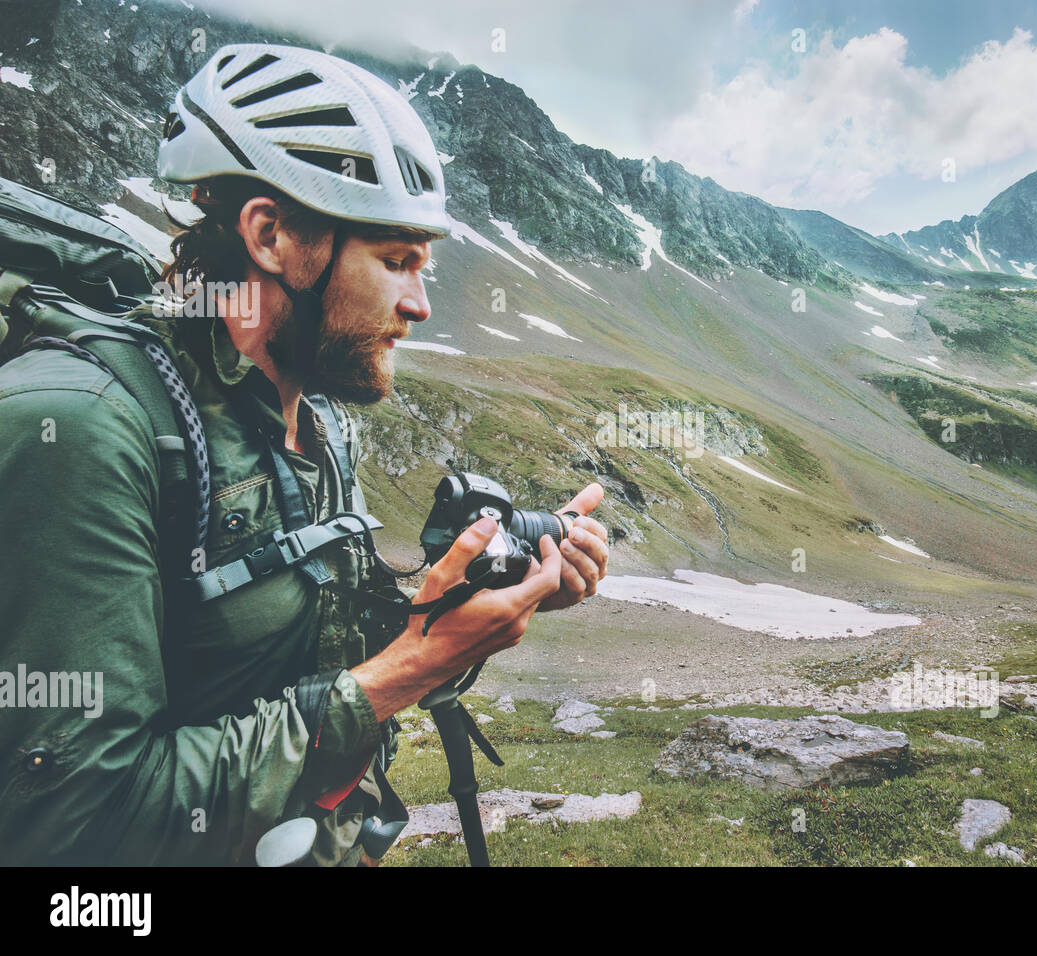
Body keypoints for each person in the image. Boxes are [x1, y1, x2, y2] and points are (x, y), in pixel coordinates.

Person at [0, 43, 609, 866]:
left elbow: (299, 668)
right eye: (396, 262)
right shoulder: (84, 428)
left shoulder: (313, 427)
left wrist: (447, 619)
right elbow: (72, 825)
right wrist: (406, 671)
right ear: (273, 234)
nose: (421, 305)